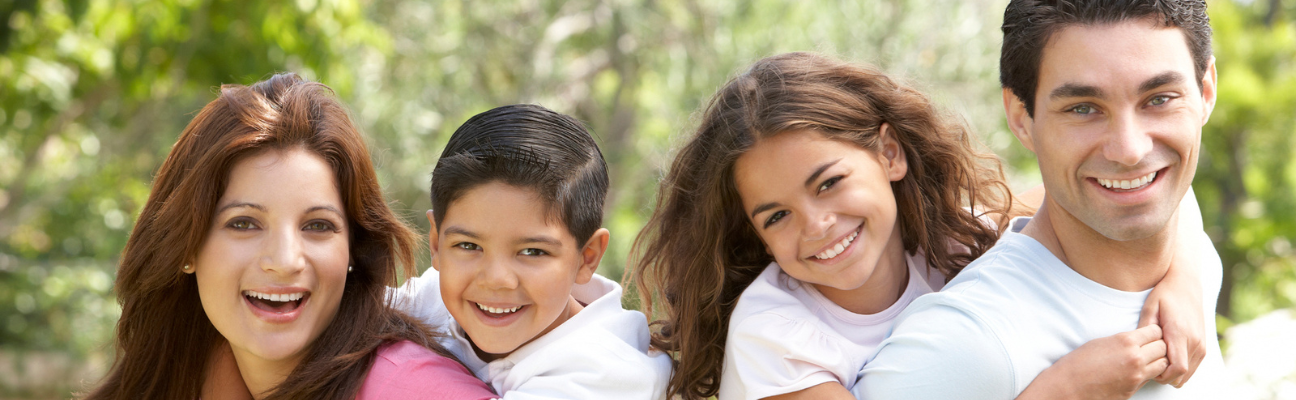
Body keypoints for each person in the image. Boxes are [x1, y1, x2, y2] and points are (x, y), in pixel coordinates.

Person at [628, 52, 1208, 400]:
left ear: (889, 155)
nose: (817, 225)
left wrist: (1183, 283)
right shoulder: (776, 332)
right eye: (776, 216)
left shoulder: (949, 240)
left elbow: (1121, 195)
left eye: (828, 183)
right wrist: (1065, 389)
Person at [856, 0, 1224, 398]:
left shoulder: (1194, 259)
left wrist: (1189, 275)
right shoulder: (964, 340)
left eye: (1159, 99)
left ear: (1205, 91)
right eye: (1083, 109)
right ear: (1021, 118)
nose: (1130, 150)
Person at [85, 73, 497, 400]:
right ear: (186, 247)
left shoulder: (412, 389)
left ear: (353, 248)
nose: (284, 260)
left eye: (318, 226)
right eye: (243, 223)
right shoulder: (188, 371)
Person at [391, 104, 673, 399]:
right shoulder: (435, 297)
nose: (496, 279)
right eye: (469, 246)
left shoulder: (607, 376)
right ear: (436, 243)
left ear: (587, 257)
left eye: (532, 252)